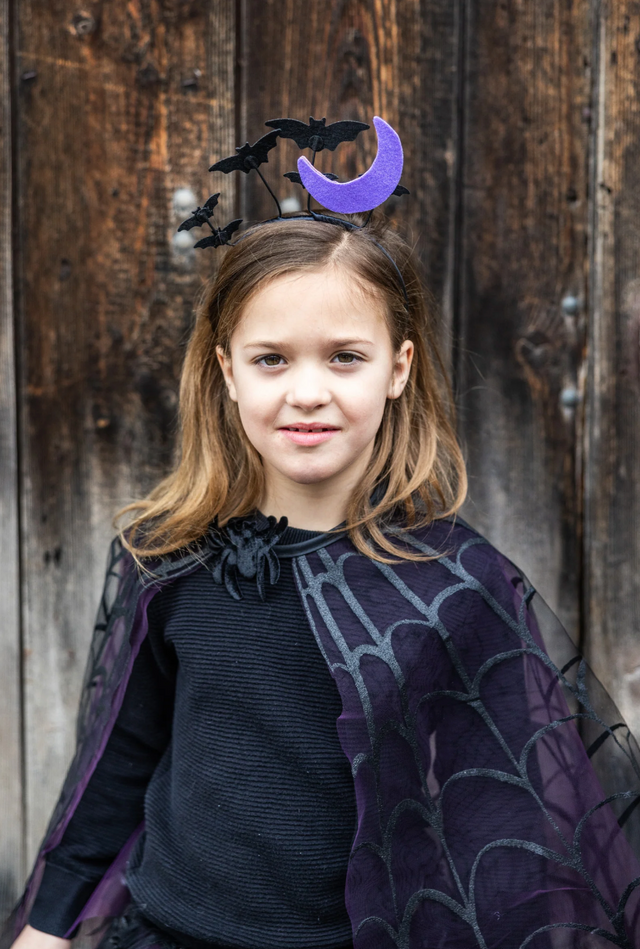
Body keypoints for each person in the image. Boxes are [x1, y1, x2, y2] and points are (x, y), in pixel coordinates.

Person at [3, 117, 640, 949]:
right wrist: (47, 929)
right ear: (227, 369)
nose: (308, 391)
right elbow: (116, 764)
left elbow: (512, 807)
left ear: (399, 368)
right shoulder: (171, 556)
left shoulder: (454, 582)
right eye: (272, 359)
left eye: (345, 356)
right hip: (168, 933)